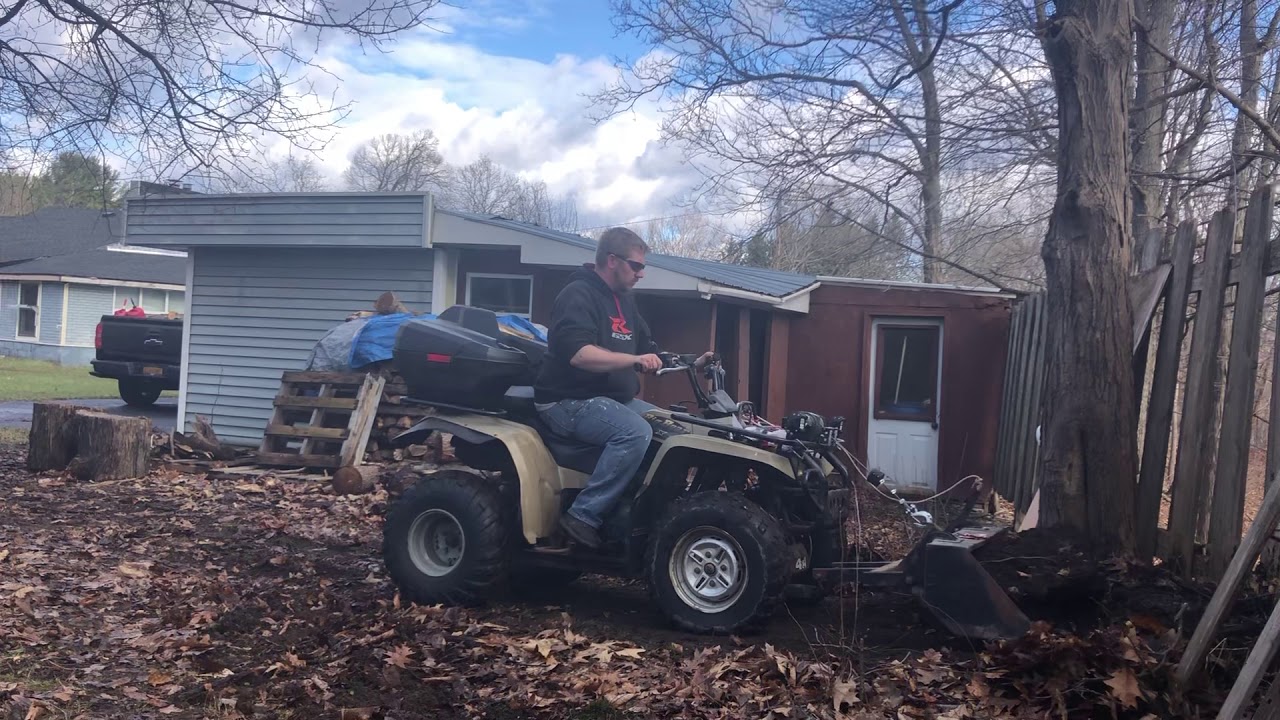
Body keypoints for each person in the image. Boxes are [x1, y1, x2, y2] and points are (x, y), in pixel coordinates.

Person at [534, 227, 711, 548]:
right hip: (566, 401)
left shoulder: (626, 301)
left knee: (673, 430)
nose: (641, 274)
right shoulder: (577, 295)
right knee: (635, 433)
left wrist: (692, 363)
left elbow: (649, 351)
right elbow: (579, 354)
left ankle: (643, 511)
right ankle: (582, 516)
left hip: (610, 400)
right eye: (636, 266)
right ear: (612, 261)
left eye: (643, 267)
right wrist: (632, 360)